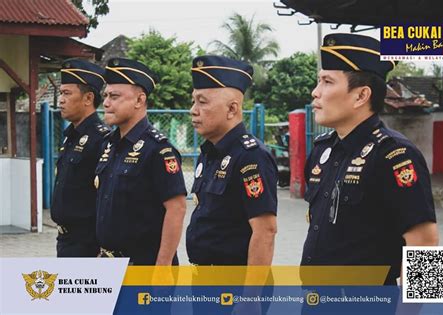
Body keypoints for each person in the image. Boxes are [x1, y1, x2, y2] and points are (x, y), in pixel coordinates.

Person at [301, 33, 439, 288]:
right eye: (319, 81)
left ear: (361, 96)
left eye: (327, 82)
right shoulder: (322, 150)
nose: (316, 92)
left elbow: (427, 244)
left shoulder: (395, 154)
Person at [186, 55, 278, 314]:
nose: (193, 110)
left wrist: (250, 298)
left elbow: (265, 231)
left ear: (232, 109)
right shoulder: (210, 153)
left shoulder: (250, 156)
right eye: (193, 101)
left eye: (202, 102)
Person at [95, 57, 187, 266]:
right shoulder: (108, 145)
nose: (106, 102)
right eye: (106, 96)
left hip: (144, 265)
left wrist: (162, 267)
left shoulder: (158, 150)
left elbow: (177, 209)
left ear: (139, 100)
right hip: (109, 264)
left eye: (115, 96)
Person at [51, 58, 109, 257]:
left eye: (67, 93)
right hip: (66, 241)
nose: (61, 100)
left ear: (88, 98)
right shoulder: (71, 138)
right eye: (61, 93)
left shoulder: (100, 140)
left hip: (88, 244)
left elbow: (107, 198)